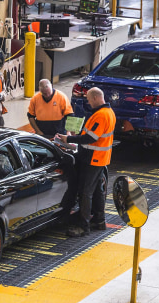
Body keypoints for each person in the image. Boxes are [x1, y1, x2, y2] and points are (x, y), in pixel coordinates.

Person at [55, 87, 115, 237]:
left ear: (95, 98)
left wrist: (68, 139)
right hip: (101, 158)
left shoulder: (101, 115)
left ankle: (84, 226)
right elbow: (92, 135)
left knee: (85, 193)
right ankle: (99, 220)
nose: (88, 102)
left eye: (88, 99)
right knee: (97, 191)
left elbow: (90, 138)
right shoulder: (109, 112)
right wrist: (77, 136)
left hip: (93, 159)